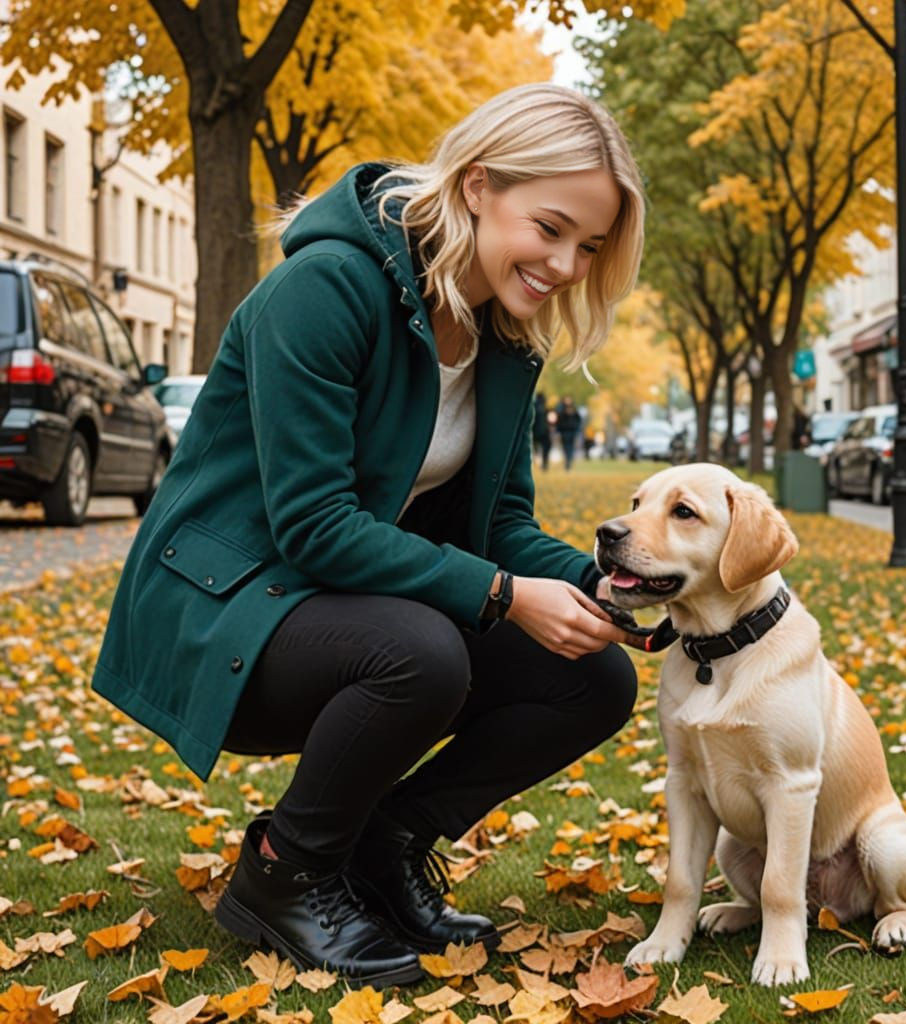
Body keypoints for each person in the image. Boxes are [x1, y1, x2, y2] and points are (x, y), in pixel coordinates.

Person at [91, 84, 645, 988]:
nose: (567, 265)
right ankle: (286, 870)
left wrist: (616, 585)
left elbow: (497, 523)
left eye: (588, 247)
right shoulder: (327, 289)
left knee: (589, 676)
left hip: (340, 605)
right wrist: (505, 597)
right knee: (424, 654)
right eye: (550, 228)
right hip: (227, 607)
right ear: (476, 187)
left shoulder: (506, 337)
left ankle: (382, 848)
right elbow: (313, 525)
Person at [555, 395, 582, 470]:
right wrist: (558, 431)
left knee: (571, 447)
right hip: (564, 432)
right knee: (565, 447)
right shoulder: (561, 409)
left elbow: (578, 420)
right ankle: (567, 461)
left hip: (572, 431)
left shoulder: (574, 409)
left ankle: (569, 461)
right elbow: (558, 421)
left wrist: (577, 429)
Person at [533, 391, 553, 470]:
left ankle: (537, 461)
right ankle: (544, 463)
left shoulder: (533, 407)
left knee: (535, 448)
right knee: (546, 447)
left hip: (534, 431)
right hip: (544, 432)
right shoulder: (546, 408)